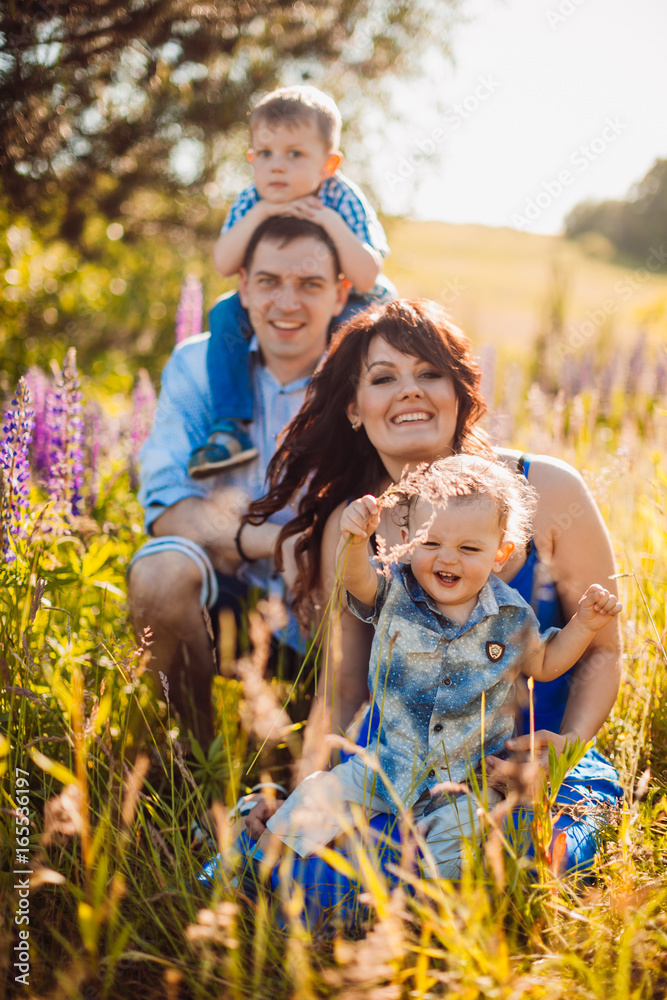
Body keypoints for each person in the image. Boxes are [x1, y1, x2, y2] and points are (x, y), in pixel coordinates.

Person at [239, 299, 622, 906]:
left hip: (529, 769)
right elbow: (342, 690)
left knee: (502, 871)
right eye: (384, 377)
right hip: (399, 766)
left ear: (460, 393)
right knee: (297, 882)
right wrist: (299, 785)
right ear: (354, 409)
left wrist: (565, 749)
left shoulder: (546, 489)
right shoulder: (357, 523)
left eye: (429, 373)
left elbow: (602, 652)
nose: (408, 392)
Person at [253, 456, 621, 879]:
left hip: (469, 780)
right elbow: (356, 580)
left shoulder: (510, 614)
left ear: (499, 553)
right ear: (407, 540)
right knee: (319, 797)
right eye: (431, 544)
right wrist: (355, 541)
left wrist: (585, 624)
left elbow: (547, 663)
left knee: (454, 842)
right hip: (386, 764)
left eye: (468, 548)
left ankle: (432, 908)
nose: (447, 559)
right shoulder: (394, 589)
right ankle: (258, 874)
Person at [128, 216, 349, 742]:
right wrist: (279, 543)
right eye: (270, 281)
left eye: (310, 284)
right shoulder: (200, 364)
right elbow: (168, 507)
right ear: (244, 286)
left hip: (334, 604)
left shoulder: (367, 372)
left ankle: (331, 758)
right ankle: (198, 761)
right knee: (160, 571)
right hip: (226, 592)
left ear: (341, 294)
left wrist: (320, 556)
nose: (287, 303)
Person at [188, 84, 394, 480]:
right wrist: (263, 213)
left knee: (360, 339)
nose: (276, 166)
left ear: (327, 166)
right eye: (265, 154)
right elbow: (223, 262)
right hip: (277, 295)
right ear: (251, 160)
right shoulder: (253, 200)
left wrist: (327, 220)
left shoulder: (341, 198)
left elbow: (367, 274)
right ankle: (230, 427)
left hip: (353, 299)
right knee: (225, 315)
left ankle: (342, 429)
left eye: (294, 154)